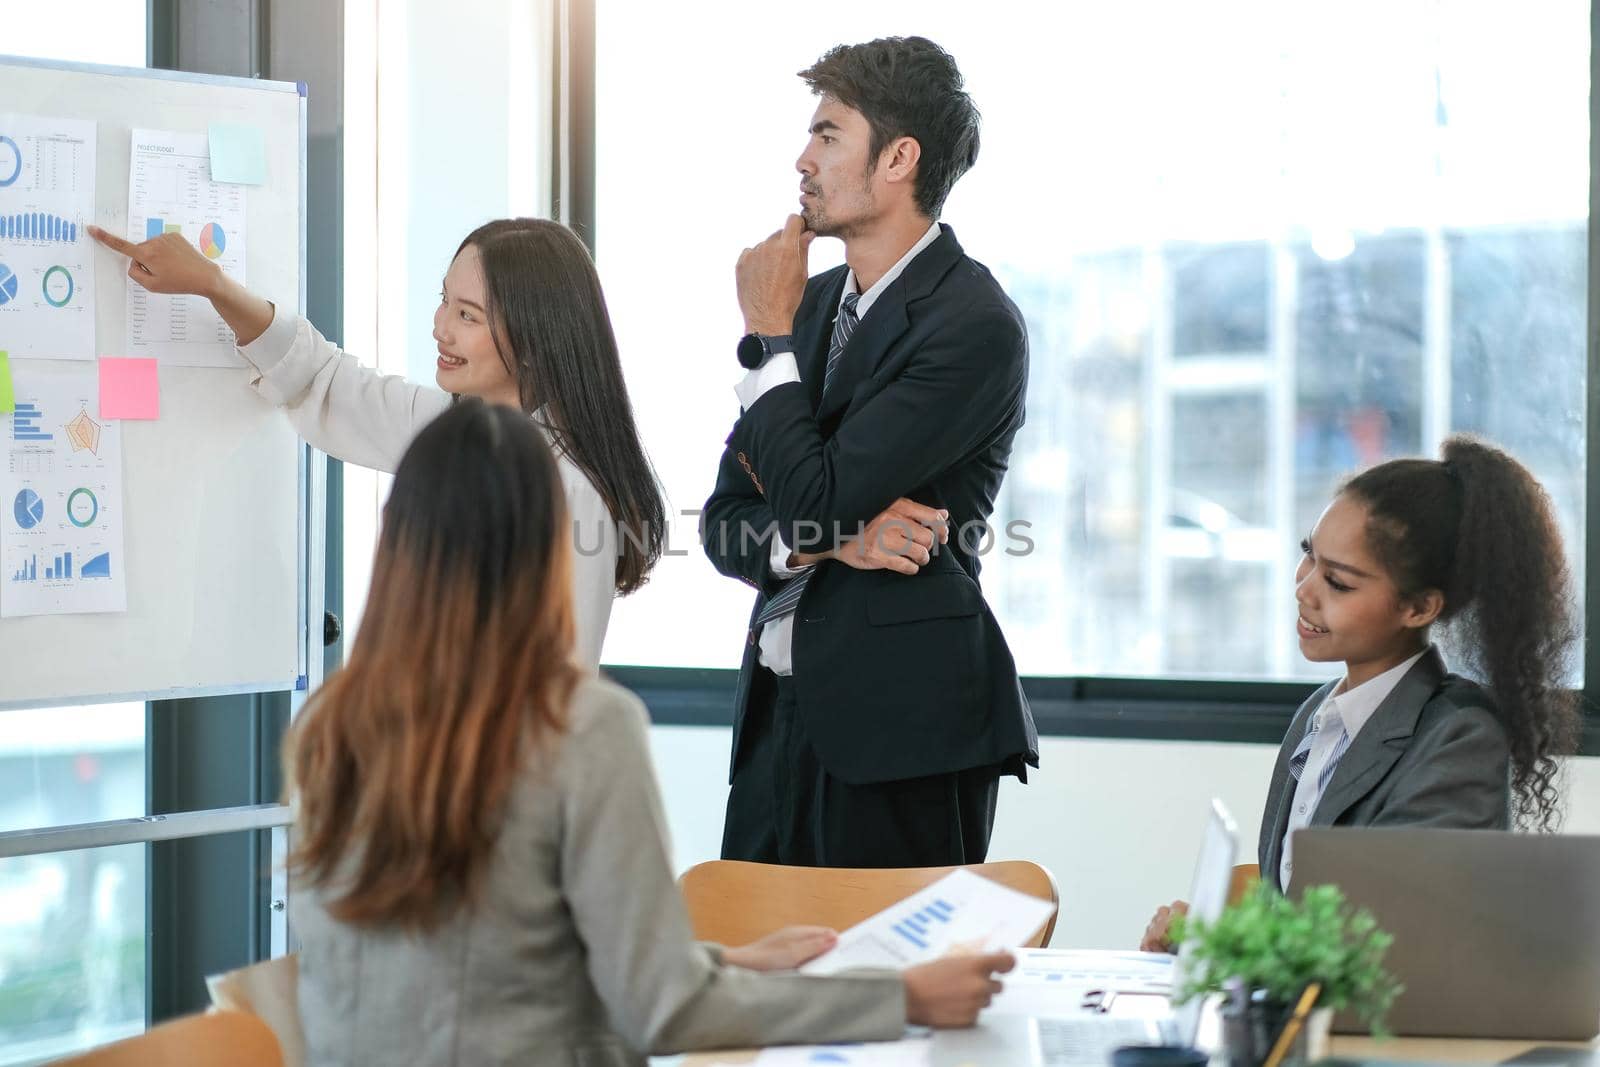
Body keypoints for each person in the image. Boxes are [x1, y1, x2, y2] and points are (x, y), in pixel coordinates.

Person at [282, 400, 1015, 1065]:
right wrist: (901, 996)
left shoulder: (327, 727)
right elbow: (665, 1013)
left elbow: (486, 972)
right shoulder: (578, 725)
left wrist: (724, 965)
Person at [702, 36, 1038, 869]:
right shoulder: (810, 305)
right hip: (776, 722)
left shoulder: (972, 325)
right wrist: (828, 538)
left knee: (890, 991)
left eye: (826, 135)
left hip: (902, 733)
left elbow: (810, 496)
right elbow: (723, 521)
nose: (801, 159)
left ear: (898, 158)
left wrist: (767, 338)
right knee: (759, 980)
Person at [88, 217, 661, 668]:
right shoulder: (457, 430)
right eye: (444, 301)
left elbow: (553, 695)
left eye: (468, 315)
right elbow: (327, 382)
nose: (440, 326)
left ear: (535, 339)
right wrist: (212, 284)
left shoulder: (568, 491)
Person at [1141, 434, 1578, 951]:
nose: (1303, 589)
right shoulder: (1321, 712)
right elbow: (1294, 902)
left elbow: (1384, 938)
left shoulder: (1461, 736)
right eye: (1309, 556)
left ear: (1419, 608)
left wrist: (1218, 944)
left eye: (1339, 582)